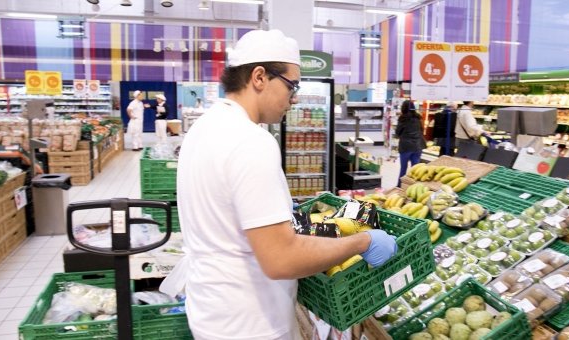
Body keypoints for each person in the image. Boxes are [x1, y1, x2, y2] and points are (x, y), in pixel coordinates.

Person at [160, 29, 397, 340]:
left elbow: (225, 209)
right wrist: (362, 243)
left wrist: (280, 209)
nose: (294, 97)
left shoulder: (205, 127)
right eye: (291, 85)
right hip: (250, 323)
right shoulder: (251, 141)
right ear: (259, 77)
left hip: (211, 309)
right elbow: (281, 259)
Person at [395, 100, 426, 187]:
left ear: (403, 108)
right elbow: (421, 130)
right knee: (415, 169)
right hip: (417, 146)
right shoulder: (418, 118)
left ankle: (400, 186)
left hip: (405, 147)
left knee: (403, 169)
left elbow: (398, 133)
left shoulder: (402, 119)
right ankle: (414, 187)